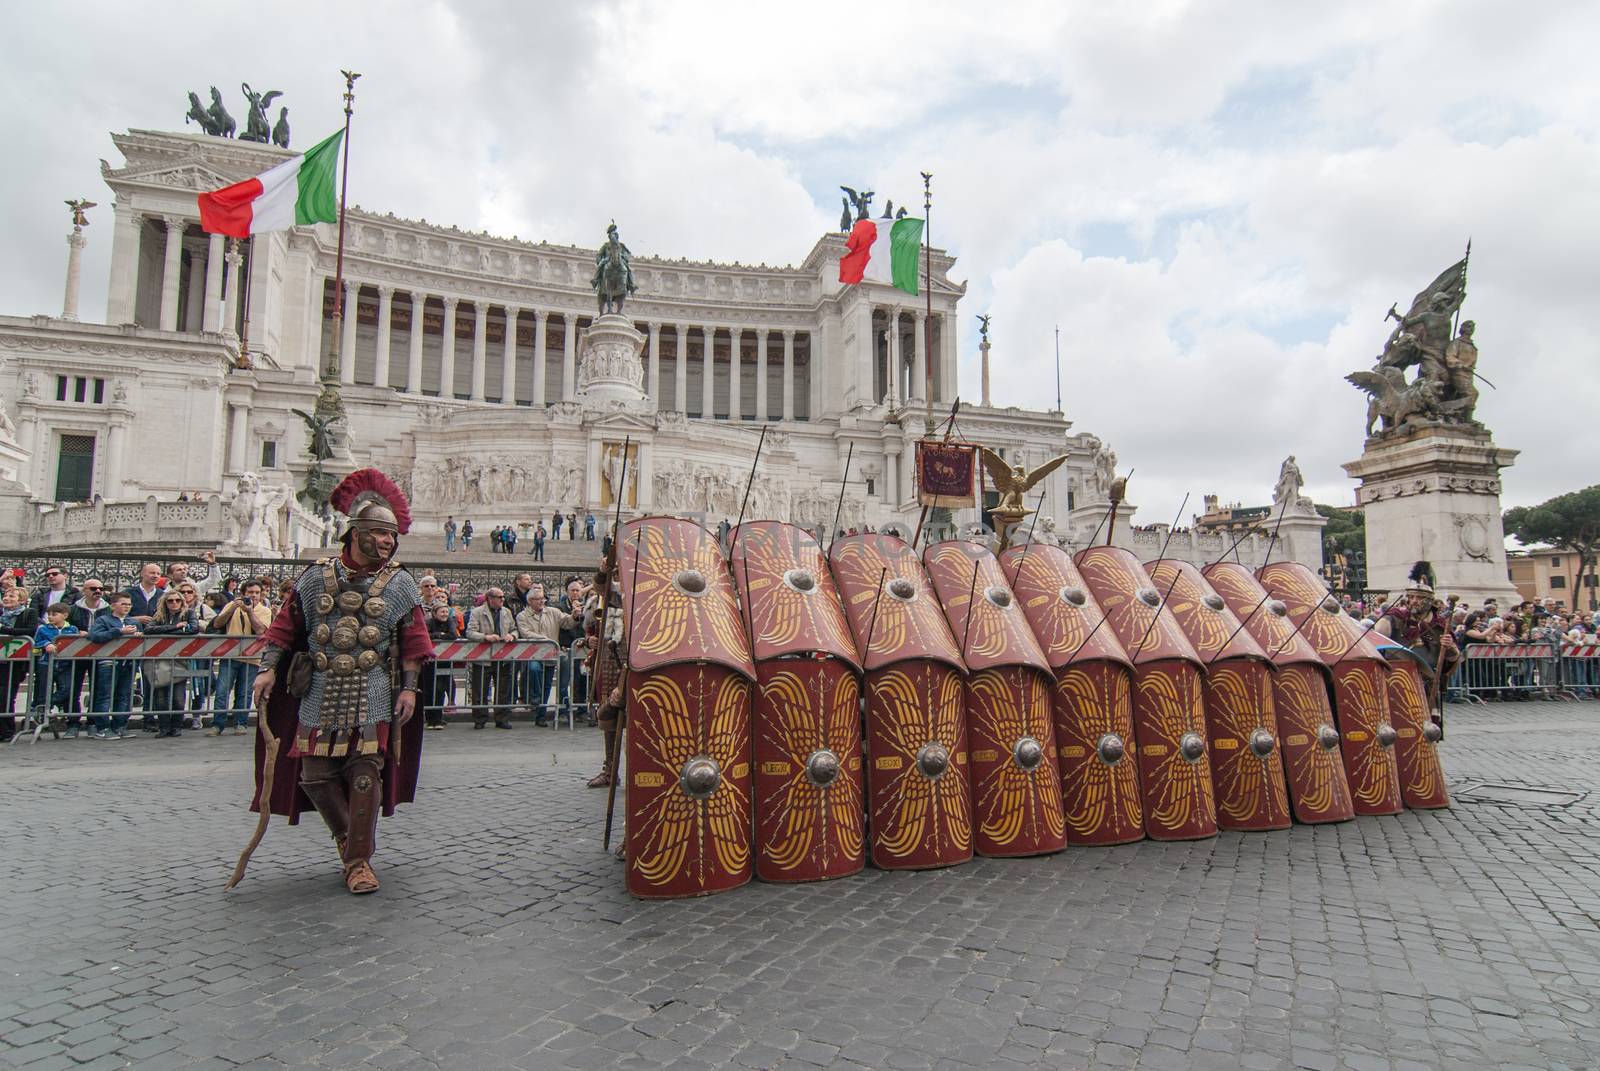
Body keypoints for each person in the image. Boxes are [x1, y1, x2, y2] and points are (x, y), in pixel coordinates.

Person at [240, 467, 432, 896]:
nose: (387, 542)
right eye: (380, 533)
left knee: (365, 774)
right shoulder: (315, 578)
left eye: (392, 536)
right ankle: (347, 840)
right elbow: (286, 628)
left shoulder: (399, 583)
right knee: (315, 774)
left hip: (373, 690)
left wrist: (408, 687)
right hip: (320, 690)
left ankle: (359, 861)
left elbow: (415, 640)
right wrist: (269, 667)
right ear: (355, 532)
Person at [209, 578, 272, 735]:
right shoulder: (231, 605)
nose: (254, 596)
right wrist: (232, 608)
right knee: (222, 690)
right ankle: (217, 724)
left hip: (252, 657)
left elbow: (260, 631)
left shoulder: (265, 611)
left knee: (244, 692)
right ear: (243, 593)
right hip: (230, 656)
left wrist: (249, 611)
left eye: (257, 593)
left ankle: (240, 722)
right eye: (250, 593)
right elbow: (217, 624)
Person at [583, 565, 626, 787]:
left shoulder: (641, 591)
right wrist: (604, 570)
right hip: (610, 661)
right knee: (609, 715)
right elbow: (601, 587)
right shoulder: (608, 596)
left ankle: (644, 770)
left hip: (637, 660)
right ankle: (610, 769)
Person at [515, 583, 577, 725]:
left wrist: (574, 616)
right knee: (534, 668)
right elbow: (525, 633)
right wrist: (545, 640)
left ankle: (540, 716)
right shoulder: (522, 616)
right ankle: (535, 697)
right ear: (530, 601)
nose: (542, 601)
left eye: (543, 598)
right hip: (534, 653)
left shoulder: (553, 612)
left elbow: (567, 622)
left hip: (551, 654)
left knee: (547, 684)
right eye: (538, 599)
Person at [146, 591, 201, 736]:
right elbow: (149, 630)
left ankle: (177, 726)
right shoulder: (159, 615)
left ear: (182, 602)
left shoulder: (189, 613)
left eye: (177, 600)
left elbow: (193, 629)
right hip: (161, 660)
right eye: (170, 601)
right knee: (161, 697)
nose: (174, 603)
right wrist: (175, 627)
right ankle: (164, 727)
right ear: (165, 603)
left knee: (178, 697)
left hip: (181, 659)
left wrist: (166, 633)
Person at [89, 593, 142, 739]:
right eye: (123, 604)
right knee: (105, 695)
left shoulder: (134, 622)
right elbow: (95, 636)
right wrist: (118, 631)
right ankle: (102, 727)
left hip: (128, 663)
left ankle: (120, 725)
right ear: (113, 605)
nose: (127, 607)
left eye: (129, 604)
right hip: (108, 662)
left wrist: (138, 636)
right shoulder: (103, 620)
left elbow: (142, 640)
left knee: (124, 695)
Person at [465, 587, 518, 729]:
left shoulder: (506, 612)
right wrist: (485, 637)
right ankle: (480, 719)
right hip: (483, 657)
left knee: (503, 690)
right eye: (499, 597)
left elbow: (514, 629)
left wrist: (512, 635)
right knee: (480, 689)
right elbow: (470, 632)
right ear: (490, 598)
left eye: (503, 597)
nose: (503, 599)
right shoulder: (477, 612)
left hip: (503, 657)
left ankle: (502, 719)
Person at [0, 587, 41, 742]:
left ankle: (7, 730)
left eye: (12, 596)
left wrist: (4, 629)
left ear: (22, 600)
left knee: (6, 695)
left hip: (15, 663)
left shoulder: (28, 613)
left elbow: (30, 631)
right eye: (5, 595)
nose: (7, 598)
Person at [32, 603, 81, 729]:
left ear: (65, 615)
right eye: (49, 614)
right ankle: (42, 717)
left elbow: (75, 643)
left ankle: (48, 705)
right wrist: (46, 644)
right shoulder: (43, 629)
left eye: (54, 614)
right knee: (43, 690)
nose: (50, 617)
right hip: (46, 663)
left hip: (65, 664)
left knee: (66, 688)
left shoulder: (72, 629)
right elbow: (35, 642)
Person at [421, 601, 457, 730]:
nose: (445, 614)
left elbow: (453, 635)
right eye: (442, 611)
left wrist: (437, 635)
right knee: (430, 689)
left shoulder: (451, 621)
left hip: (445, 662)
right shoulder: (429, 622)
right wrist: (440, 635)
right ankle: (431, 719)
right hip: (430, 662)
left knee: (441, 689)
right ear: (435, 613)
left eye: (446, 611)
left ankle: (438, 717)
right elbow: (426, 636)